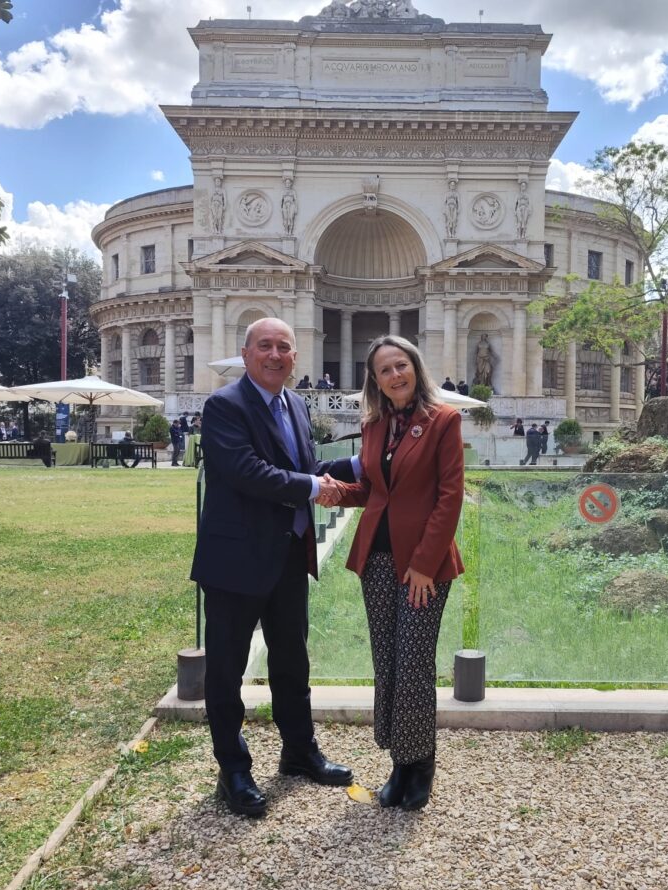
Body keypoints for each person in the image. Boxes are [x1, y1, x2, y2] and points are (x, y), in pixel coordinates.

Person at [190, 317, 356, 819]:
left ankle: (299, 752)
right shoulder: (224, 405)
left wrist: (372, 465)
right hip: (236, 560)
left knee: (292, 662)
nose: (275, 354)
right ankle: (233, 771)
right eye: (265, 346)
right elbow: (246, 472)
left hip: (288, 554)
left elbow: (309, 466)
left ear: (295, 358)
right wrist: (313, 488)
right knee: (226, 670)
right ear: (246, 354)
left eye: (285, 347)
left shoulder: (297, 405)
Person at [320, 334, 464, 812]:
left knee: (414, 664)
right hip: (378, 561)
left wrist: (425, 565)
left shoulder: (443, 420)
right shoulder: (375, 425)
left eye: (400, 365)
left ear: (415, 368)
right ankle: (398, 762)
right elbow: (374, 489)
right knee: (388, 661)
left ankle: (421, 764)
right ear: (375, 381)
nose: (394, 375)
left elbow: (449, 497)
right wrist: (336, 492)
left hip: (423, 565)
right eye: (384, 370)